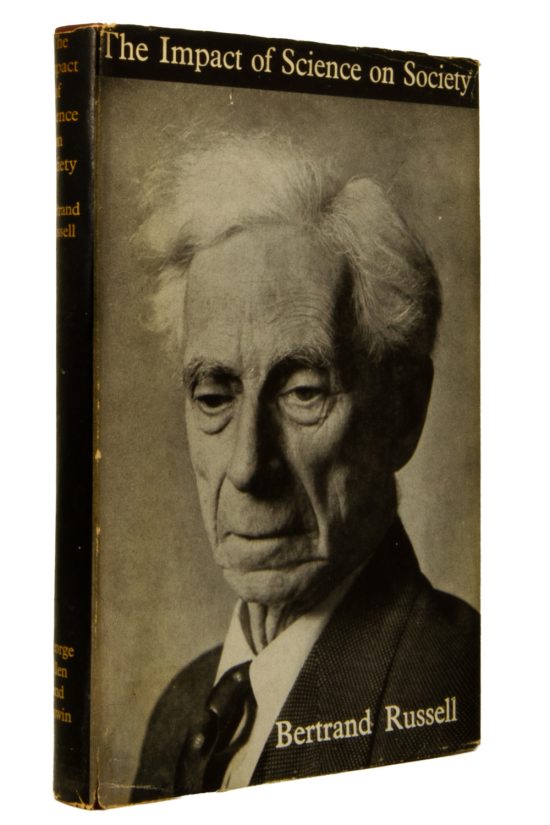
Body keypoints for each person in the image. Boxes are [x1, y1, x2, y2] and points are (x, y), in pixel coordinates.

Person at [131, 133, 479, 802]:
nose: (247, 466)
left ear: (403, 413)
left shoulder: (460, 685)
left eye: (302, 391)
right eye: (214, 396)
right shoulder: (181, 709)